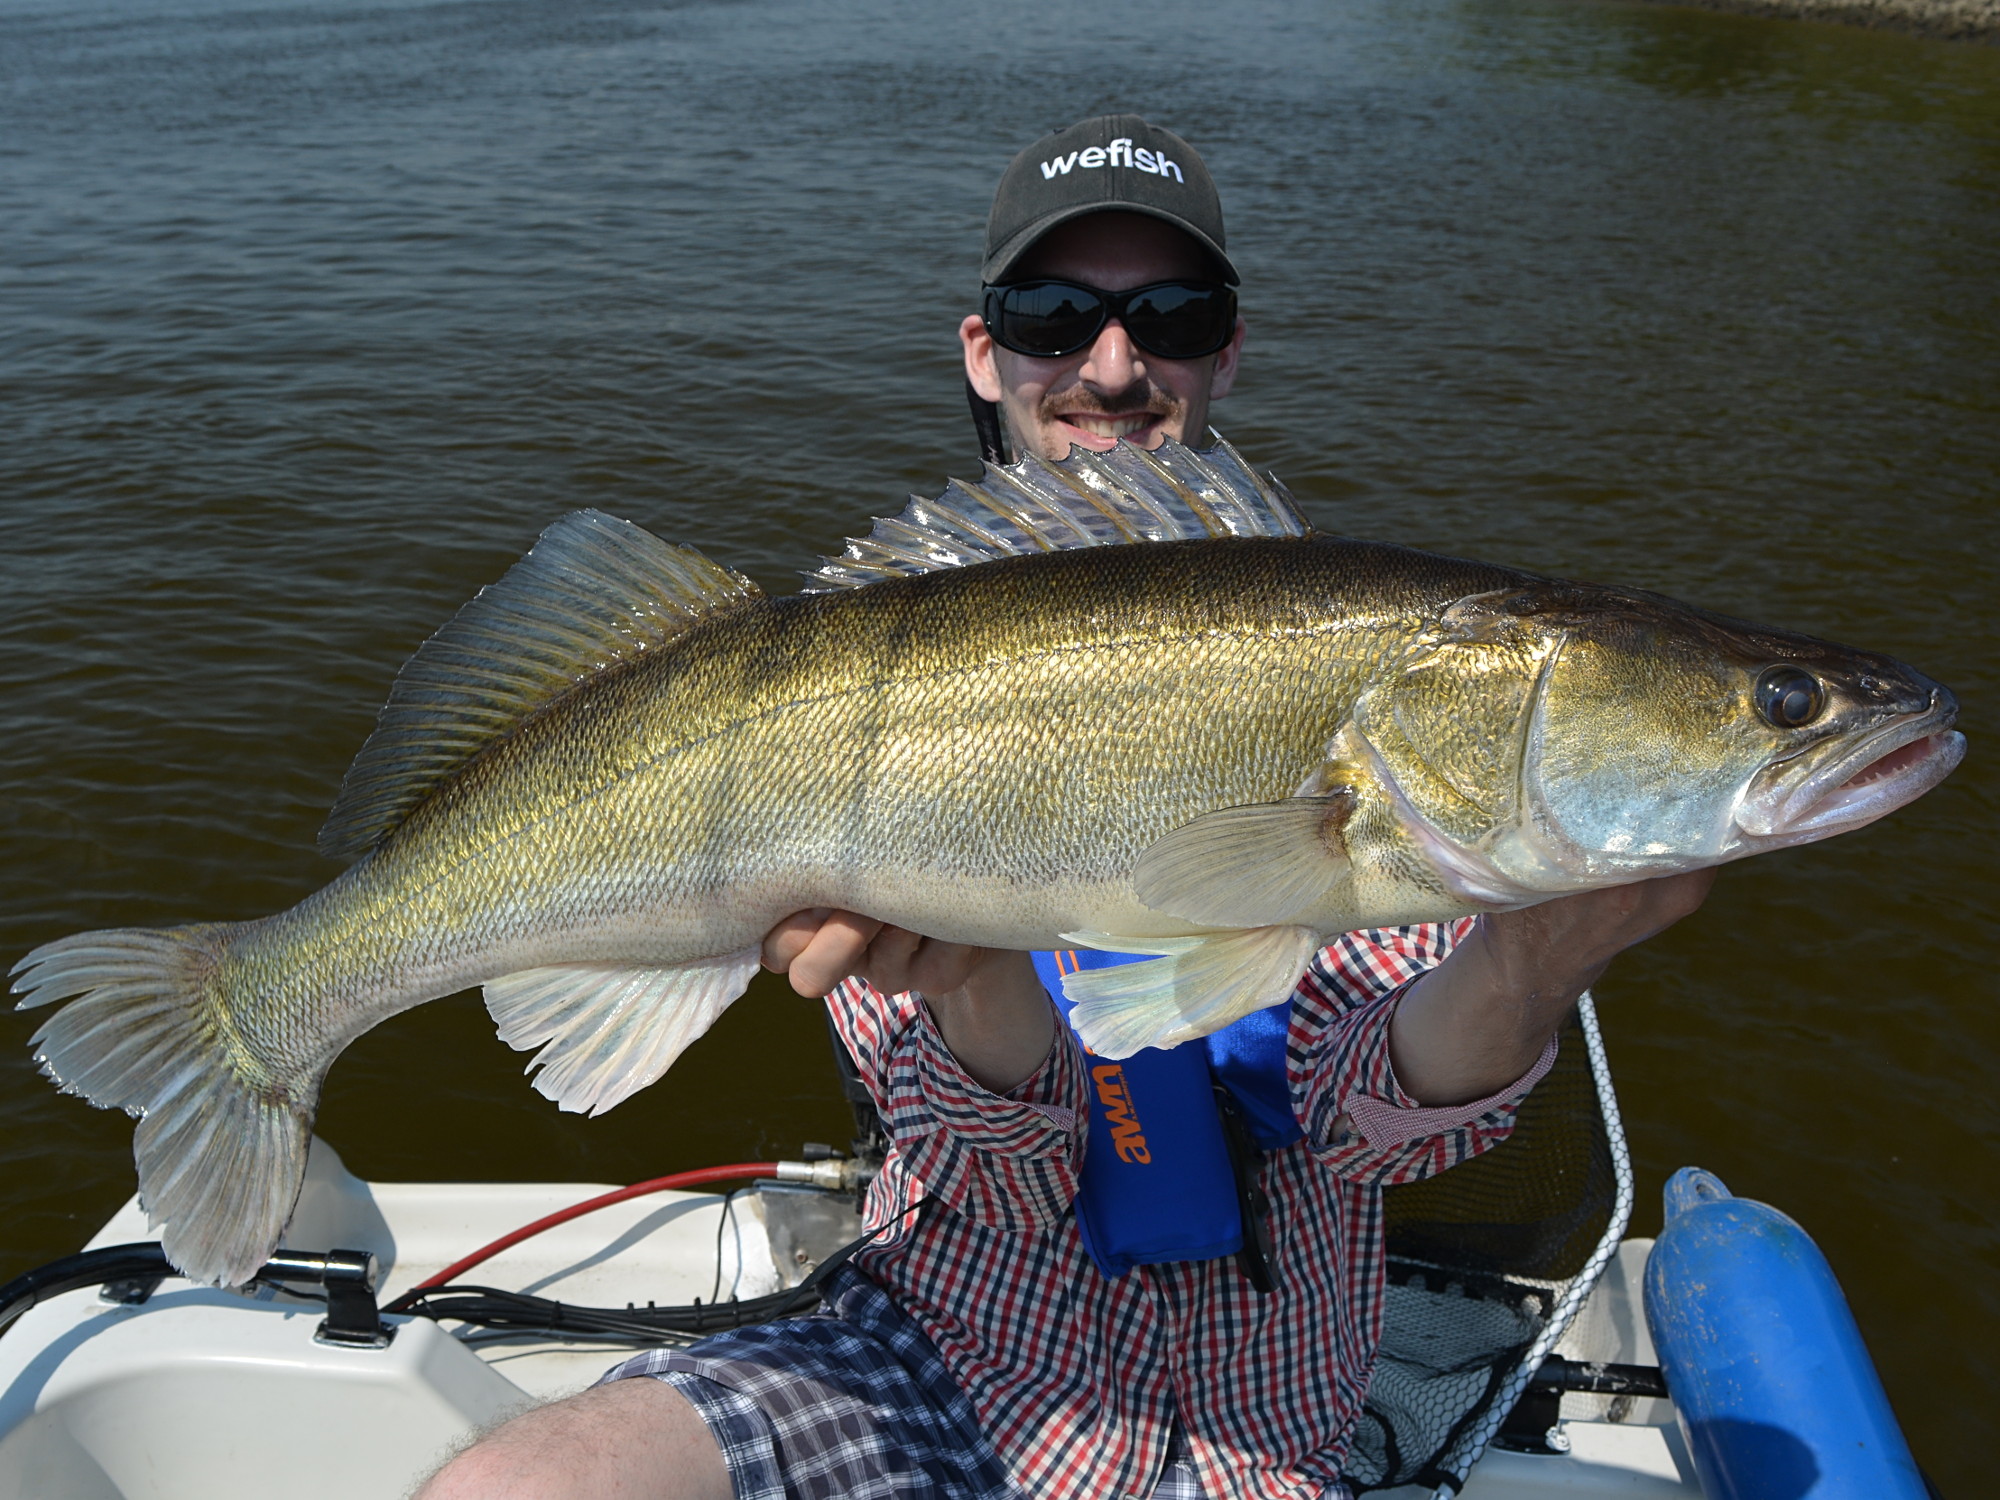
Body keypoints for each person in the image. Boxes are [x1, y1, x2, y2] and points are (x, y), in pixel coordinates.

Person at [419, 115, 1712, 1500]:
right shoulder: (869, 661)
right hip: (950, 1370)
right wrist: (972, 989)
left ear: (1226, 349)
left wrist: (1532, 957)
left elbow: (1370, 1132)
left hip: (1270, 1432)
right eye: (1052, 314)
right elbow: (1001, 1174)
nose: (1111, 362)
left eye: (1171, 312)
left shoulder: (1371, 670)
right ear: (987, 353)